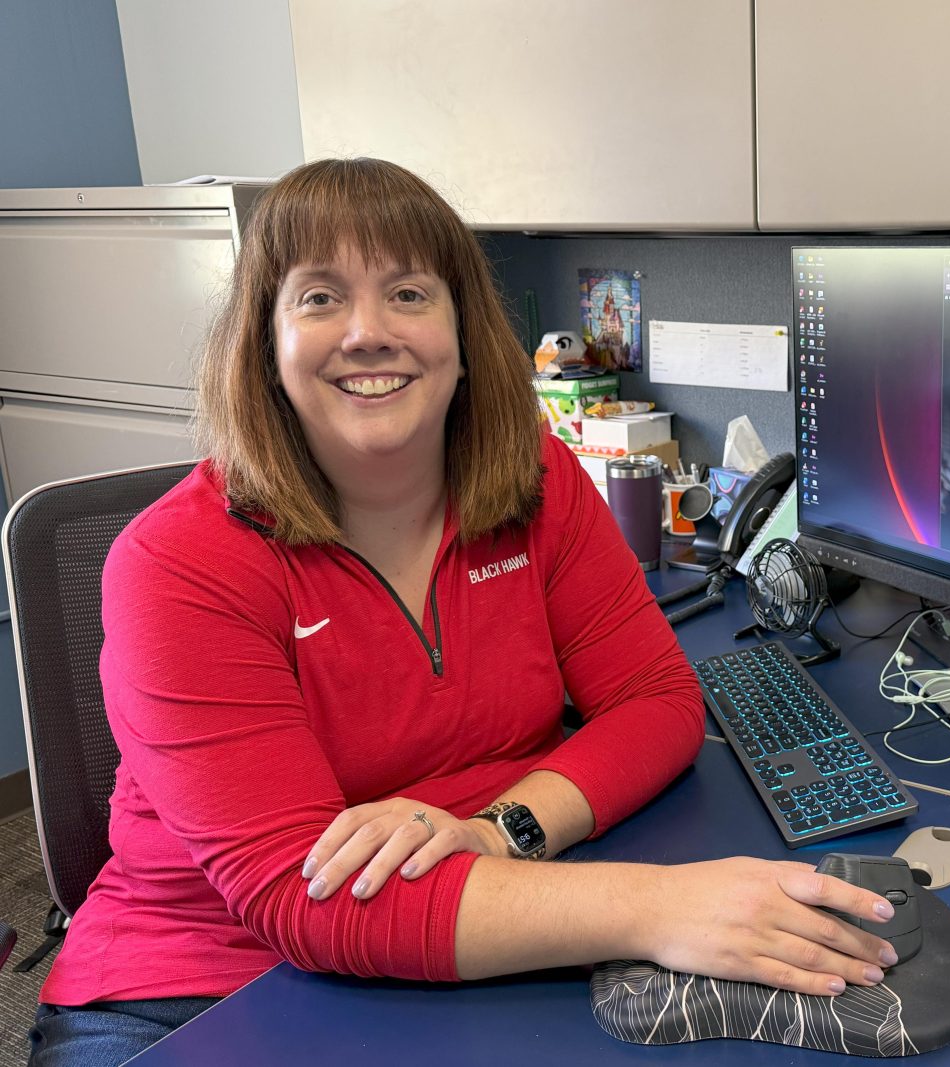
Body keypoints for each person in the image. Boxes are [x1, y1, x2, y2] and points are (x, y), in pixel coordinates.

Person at [29, 159, 899, 1066]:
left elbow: (656, 700)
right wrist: (661, 908)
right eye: (320, 298)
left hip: (471, 919)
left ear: (461, 327)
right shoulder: (181, 563)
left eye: (407, 292)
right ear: (265, 340)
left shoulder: (534, 479)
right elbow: (306, 900)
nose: (368, 333)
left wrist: (503, 830)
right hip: (200, 989)